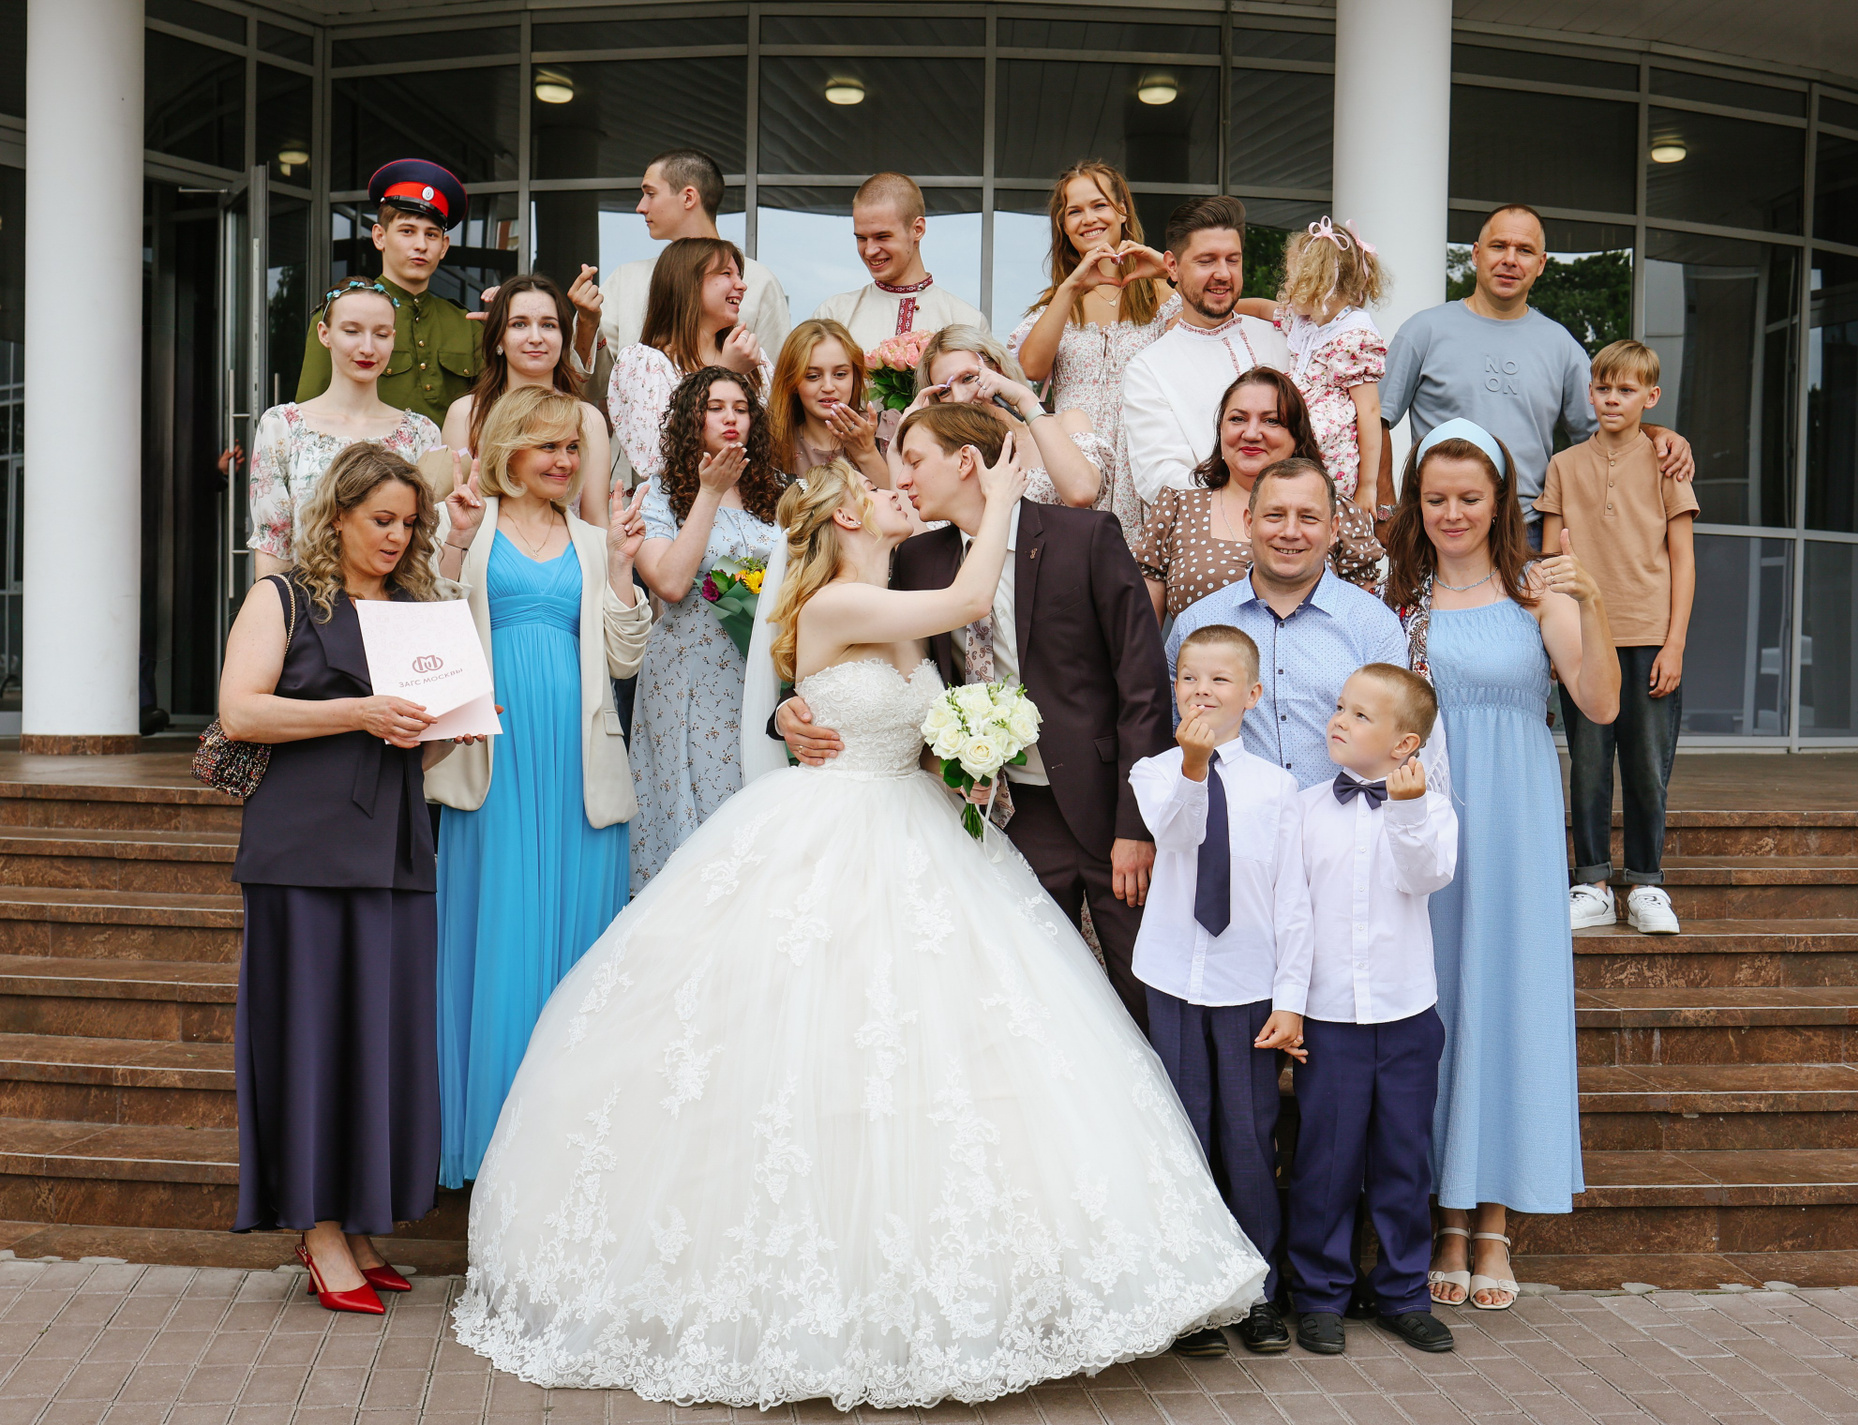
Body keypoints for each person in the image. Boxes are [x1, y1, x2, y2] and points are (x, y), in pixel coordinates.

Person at [451, 458, 1269, 1408]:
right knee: (822, 1040)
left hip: (918, 821)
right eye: (878, 489)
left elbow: (936, 677)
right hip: (831, 829)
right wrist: (1006, 495)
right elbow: (972, 599)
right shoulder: (840, 601)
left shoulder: (901, 587)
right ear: (844, 516)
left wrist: (965, 748)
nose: (898, 491)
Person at [777, 404, 1170, 1030]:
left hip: (1103, 806)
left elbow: (1143, 684)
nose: (901, 478)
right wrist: (791, 710)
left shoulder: (1086, 536)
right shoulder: (916, 562)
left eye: (912, 459)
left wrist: (1137, 824)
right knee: (1031, 995)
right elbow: (854, 662)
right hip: (1005, 815)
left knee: (1145, 988)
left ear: (966, 461)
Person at [1382, 418, 1619, 1311]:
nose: (1452, 513)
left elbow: (1599, 702)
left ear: (1499, 501)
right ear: (1417, 503)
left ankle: (1493, 1223)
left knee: (1509, 1003)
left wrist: (1594, 604)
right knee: (1438, 1002)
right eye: (1435, 498)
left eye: (1469, 498)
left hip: (1516, 822)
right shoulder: (1400, 601)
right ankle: (1443, 1217)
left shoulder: (1535, 592)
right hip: (1431, 823)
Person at [220, 445, 457, 1314]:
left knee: (377, 1037)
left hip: (394, 846)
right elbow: (239, 710)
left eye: (409, 523)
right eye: (381, 519)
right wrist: (359, 710)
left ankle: (357, 1222)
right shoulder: (282, 596)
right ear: (340, 514)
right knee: (308, 1037)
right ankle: (317, 1230)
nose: (397, 537)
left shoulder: (419, 612)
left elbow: (415, 752)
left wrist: (450, 728)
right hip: (302, 850)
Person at [426, 387, 653, 1188]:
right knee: (499, 940)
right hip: (494, 761)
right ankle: (492, 1151)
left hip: (578, 770)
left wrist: (621, 568)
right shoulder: (468, 523)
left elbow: (625, 658)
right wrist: (453, 546)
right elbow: (434, 632)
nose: (563, 461)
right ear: (507, 450)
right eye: (546, 446)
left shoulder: (593, 541)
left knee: (575, 957)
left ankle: (563, 1160)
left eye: (571, 449)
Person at [1128, 624, 1312, 1358]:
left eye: (1219, 679)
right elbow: (1176, 833)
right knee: (1187, 1130)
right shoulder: (1155, 771)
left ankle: (1257, 1290)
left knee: (1248, 1132)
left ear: (1253, 694)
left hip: (1247, 984)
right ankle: (1195, 1296)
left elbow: (1293, 900)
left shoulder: (1279, 787)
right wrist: (1194, 765)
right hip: (1174, 976)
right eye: (1188, 677)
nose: (1201, 690)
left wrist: (1290, 997)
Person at [1283, 664, 1457, 1357]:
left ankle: (1403, 1292)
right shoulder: (1303, 810)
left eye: (1360, 715)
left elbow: (1425, 876)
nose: (1339, 720)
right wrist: (1291, 1005)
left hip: (1406, 1011)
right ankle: (1319, 1293)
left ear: (1404, 744)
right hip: (1328, 1015)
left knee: (1403, 1161)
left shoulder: (1434, 810)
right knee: (1324, 1160)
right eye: (1340, 706)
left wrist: (1407, 811)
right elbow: (1291, 915)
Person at [1379, 204, 1694, 547]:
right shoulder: (1423, 330)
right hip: (1440, 528)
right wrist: (1385, 508)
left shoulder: (1560, 345)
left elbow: (1602, 428)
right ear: (1476, 254)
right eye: (1499, 246)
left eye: (1525, 250)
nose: (1510, 260)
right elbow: (1375, 420)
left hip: (1527, 532)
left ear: (1541, 264)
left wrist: (1657, 433)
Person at [1535, 340, 1697, 936]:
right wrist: (1553, 641)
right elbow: (1551, 559)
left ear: (1650, 398)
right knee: (1589, 766)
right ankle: (1594, 884)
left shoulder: (1666, 463)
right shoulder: (1563, 465)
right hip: (1583, 639)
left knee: (1647, 767)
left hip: (1650, 635)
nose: (1612, 399)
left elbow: (1683, 559)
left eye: (1626, 390)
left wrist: (1675, 644)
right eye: (1603, 388)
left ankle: (1648, 884)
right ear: (1589, 393)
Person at [1166, 459, 1409, 789]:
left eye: (1308, 517)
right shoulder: (1196, 624)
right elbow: (1172, 737)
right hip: (1233, 816)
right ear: (1249, 522)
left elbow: (1394, 744)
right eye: (1274, 515)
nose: (1291, 532)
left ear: (1333, 529)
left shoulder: (1374, 625)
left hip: (1343, 817)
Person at [629, 367, 783, 884]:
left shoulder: (779, 491)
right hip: (689, 674)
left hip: (760, 671)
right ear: (690, 419)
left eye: (740, 408)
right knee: (696, 807)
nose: (730, 418)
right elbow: (670, 583)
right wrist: (709, 491)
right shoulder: (658, 494)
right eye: (715, 408)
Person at [1008, 160, 1180, 548]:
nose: (1088, 219)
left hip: (1143, 459)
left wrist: (1171, 273)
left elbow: (1206, 338)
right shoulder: (1056, 303)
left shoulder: (1163, 297)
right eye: (1075, 211)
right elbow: (1031, 367)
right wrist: (1070, 288)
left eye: (1099, 205)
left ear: (1122, 211)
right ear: (1063, 227)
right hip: (1076, 461)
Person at [251, 279, 442, 579]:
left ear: (393, 338)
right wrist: (272, 608)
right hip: (307, 603)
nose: (367, 348)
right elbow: (273, 543)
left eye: (381, 334)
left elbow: (426, 545)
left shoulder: (422, 433)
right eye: (352, 331)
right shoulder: (282, 426)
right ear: (324, 334)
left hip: (395, 603)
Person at [1242, 218, 1390, 584]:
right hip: (1297, 443)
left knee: (1329, 520)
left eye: (1294, 280)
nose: (1287, 289)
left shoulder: (1353, 334)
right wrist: (1230, 308)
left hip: (1333, 456)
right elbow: (1262, 308)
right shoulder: (1303, 320)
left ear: (1319, 283)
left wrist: (1368, 485)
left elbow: (1369, 412)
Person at [1120, 195, 1289, 509]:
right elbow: (1160, 477)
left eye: (1232, 260)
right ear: (1172, 266)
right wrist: (1246, 502)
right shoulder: (1149, 368)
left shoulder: (1282, 338)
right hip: (1213, 531)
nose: (1223, 273)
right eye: (1207, 261)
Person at [295, 160, 489, 429]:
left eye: (432, 235)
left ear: (444, 246)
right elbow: (308, 419)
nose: (421, 245)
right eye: (407, 231)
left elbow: (491, 414)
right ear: (379, 237)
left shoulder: (466, 325)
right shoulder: (340, 314)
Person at [579, 147, 790, 382]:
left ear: (688, 197)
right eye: (725, 274)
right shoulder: (626, 280)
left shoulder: (759, 281)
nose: (640, 207)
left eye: (650, 193)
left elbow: (779, 387)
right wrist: (587, 323)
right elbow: (595, 386)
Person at [1138, 369, 1319, 621]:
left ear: (1297, 435)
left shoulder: (1336, 514)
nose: (1251, 434)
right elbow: (1142, 633)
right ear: (1220, 430)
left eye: (1271, 421)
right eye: (1238, 419)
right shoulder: (1177, 510)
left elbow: (1364, 626)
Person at [442, 272, 613, 527]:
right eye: (519, 324)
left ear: (564, 338)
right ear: (499, 338)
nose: (535, 337)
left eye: (548, 325)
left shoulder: (587, 419)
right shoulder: (467, 413)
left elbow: (596, 520)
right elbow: (448, 514)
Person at [608, 237, 772, 488]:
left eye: (739, 275)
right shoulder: (643, 363)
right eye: (726, 273)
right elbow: (654, 461)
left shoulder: (751, 357)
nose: (741, 285)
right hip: (680, 508)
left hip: (750, 504)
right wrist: (727, 374)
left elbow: (776, 444)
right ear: (688, 283)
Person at [906, 324, 1107, 508]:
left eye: (967, 378)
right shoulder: (951, 459)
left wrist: (1024, 397)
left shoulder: (1066, 423)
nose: (959, 398)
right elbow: (915, 532)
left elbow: (1081, 492)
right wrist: (902, 438)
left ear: (998, 370)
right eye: (944, 391)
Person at [811, 172, 986, 351]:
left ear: (917, 229)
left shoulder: (966, 321)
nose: (869, 251)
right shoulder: (833, 315)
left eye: (882, 237)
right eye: (861, 238)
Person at [765, 317, 889, 483]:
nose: (828, 387)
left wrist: (867, 453)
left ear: (855, 376)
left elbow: (903, 499)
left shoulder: (887, 432)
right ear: (791, 382)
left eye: (840, 374)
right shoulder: (772, 444)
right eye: (813, 376)